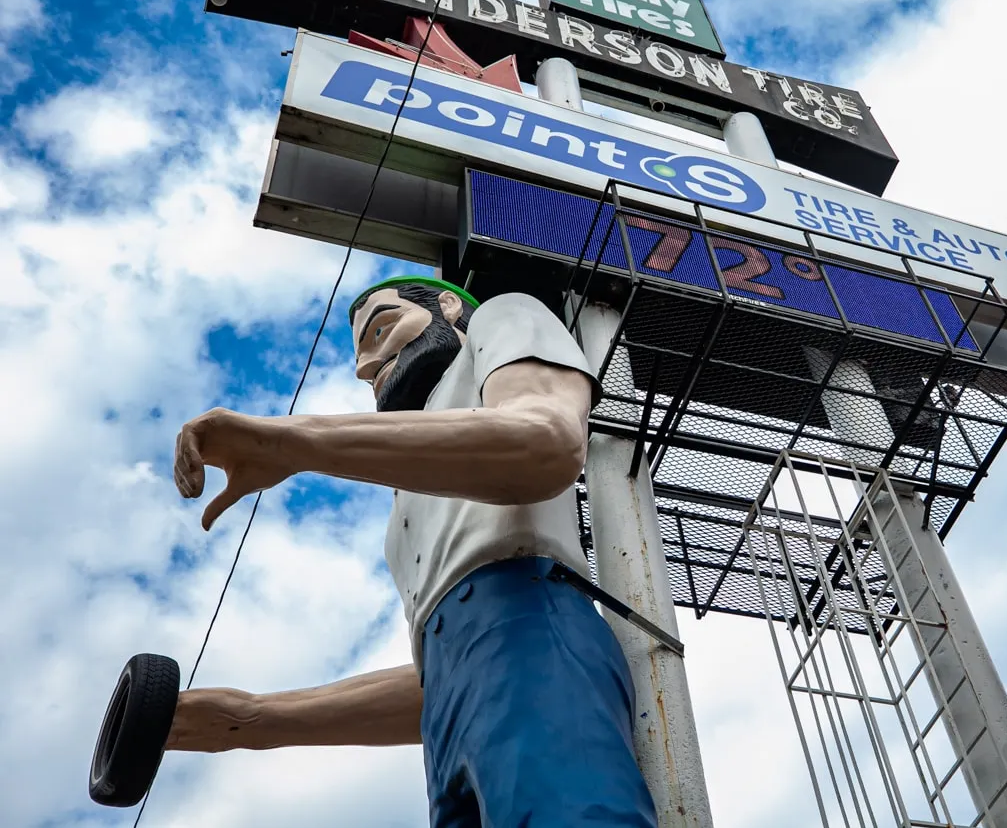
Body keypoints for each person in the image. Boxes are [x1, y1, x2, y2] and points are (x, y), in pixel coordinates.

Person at [168, 276, 657, 828]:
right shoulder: (407, 501)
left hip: (533, 625)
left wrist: (294, 441)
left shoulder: (501, 316)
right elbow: (446, 674)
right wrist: (257, 720)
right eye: (360, 355)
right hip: (448, 719)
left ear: (449, 306)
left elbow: (546, 440)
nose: (365, 367)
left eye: (381, 329)